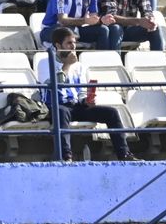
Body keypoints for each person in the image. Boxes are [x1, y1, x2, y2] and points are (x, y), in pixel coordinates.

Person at [41, 26, 137, 161]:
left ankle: (124, 154)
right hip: (54, 106)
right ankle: (65, 156)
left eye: (74, 43)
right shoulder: (45, 62)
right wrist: (67, 65)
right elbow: (54, 84)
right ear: (58, 45)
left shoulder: (79, 65)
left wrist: (86, 100)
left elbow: (80, 91)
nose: (73, 46)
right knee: (61, 111)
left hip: (75, 106)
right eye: (69, 43)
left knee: (112, 112)